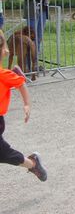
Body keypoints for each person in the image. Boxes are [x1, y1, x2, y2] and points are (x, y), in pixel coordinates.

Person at [0, 32, 47, 182]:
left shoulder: (4, 75)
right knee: (3, 154)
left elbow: (21, 85)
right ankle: (32, 163)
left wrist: (27, 104)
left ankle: (32, 163)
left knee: (4, 153)